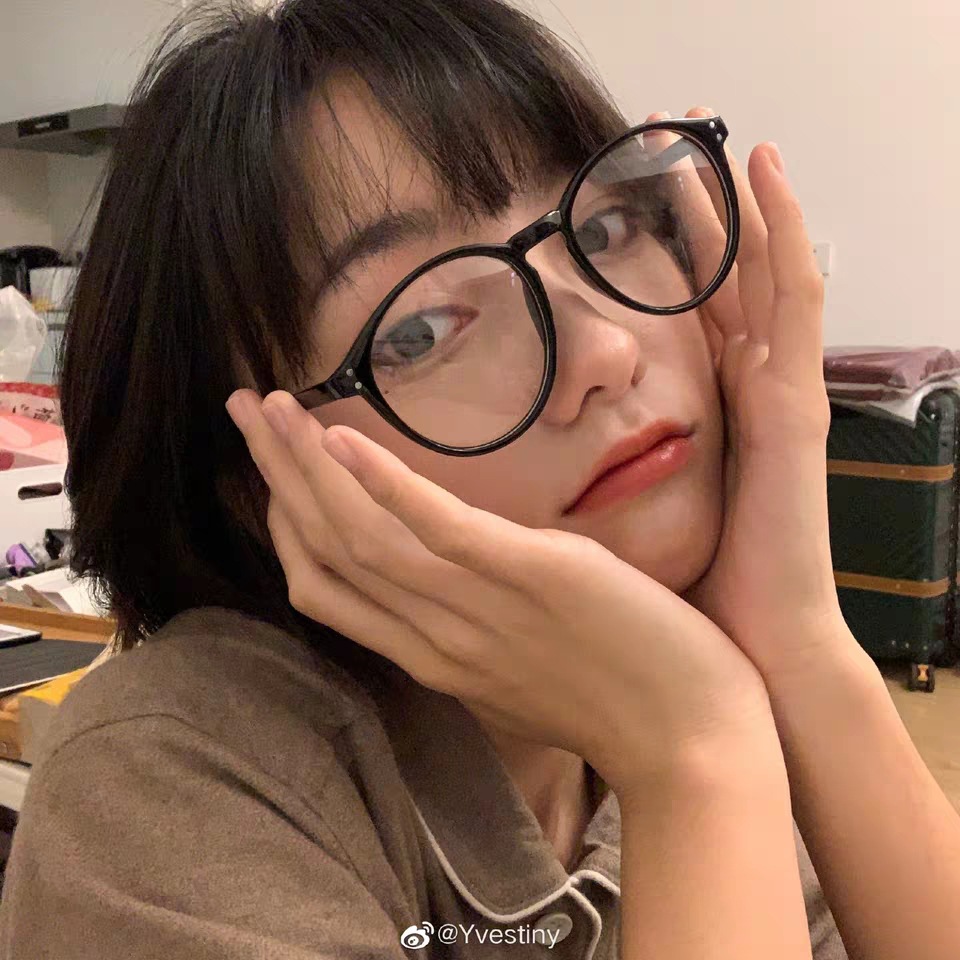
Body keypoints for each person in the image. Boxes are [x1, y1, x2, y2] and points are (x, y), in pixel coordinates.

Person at [2, 0, 959, 958]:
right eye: (420, 331)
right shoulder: (166, 785)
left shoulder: (696, 666)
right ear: (255, 480)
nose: (606, 350)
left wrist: (802, 647)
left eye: (607, 227)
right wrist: (695, 754)